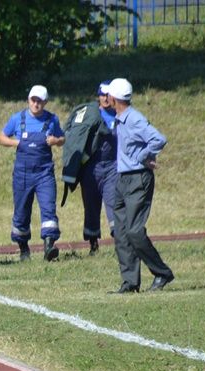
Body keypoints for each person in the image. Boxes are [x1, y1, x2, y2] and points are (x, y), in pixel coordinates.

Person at [107, 78, 174, 294]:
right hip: (122, 179)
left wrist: (142, 155)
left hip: (138, 179)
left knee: (135, 231)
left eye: (109, 95)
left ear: (114, 98)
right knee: (121, 231)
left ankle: (162, 272)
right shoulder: (119, 119)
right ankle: (130, 283)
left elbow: (159, 139)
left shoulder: (134, 119)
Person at [0, 85, 64, 261]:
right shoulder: (17, 118)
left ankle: (49, 246)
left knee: (48, 208)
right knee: (21, 211)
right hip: (23, 173)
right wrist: (16, 143)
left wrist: (55, 140)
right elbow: (2, 138)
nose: (36, 104)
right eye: (33, 100)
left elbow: (62, 138)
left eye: (40, 101)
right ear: (28, 100)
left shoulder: (52, 120)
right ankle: (23, 248)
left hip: (44, 173)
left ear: (45, 102)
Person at [62, 82, 118, 255]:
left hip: (113, 167)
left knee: (114, 204)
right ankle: (93, 244)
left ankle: (120, 245)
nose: (106, 98)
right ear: (98, 96)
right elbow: (72, 137)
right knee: (91, 207)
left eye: (109, 95)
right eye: (102, 95)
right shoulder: (89, 115)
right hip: (91, 168)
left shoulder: (121, 114)